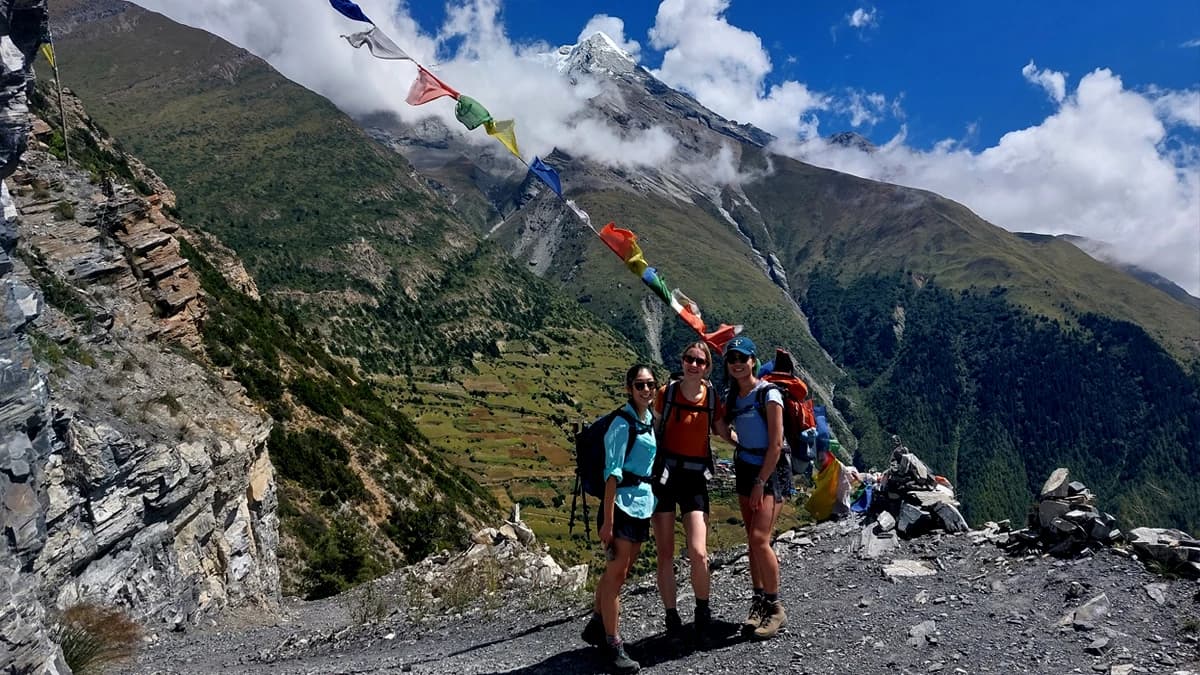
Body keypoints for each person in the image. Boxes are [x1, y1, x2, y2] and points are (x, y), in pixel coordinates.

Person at [581, 364, 658, 674]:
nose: (646, 390)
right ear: (629, 388)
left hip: (641, 503)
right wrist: (608, 522)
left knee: (620, 571)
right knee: (616, 573)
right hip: (622, 505)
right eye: (640, 385)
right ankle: (614, 644)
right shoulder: (622, 424)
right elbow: (611, 474)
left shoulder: (649, 420)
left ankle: (598, 625)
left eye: (651, 384)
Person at [713, 335, 790, 640]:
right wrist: (730, 437)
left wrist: (760, 482)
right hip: (745, 466)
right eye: (732, 359)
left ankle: (775, 607)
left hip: (768, 471)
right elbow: (722, 428)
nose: (737, 364)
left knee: (760, 539)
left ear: (753, 361)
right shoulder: (733, 396)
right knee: (751, 540)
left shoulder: (768, 395)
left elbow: (774, 443)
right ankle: (758, 603)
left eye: (742, 359)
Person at [651, 342, 716, 640]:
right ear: (682, 360)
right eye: (689, 358)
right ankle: (672, 617)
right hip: (664, 477)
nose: (693, 364)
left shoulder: (712, 397)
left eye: (699, 361)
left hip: (694, 479)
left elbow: (722, 428)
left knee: (699, 552)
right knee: (665, 552)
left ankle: (702, 611)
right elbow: (652, 428)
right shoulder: (667, 393)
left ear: (707, 367)